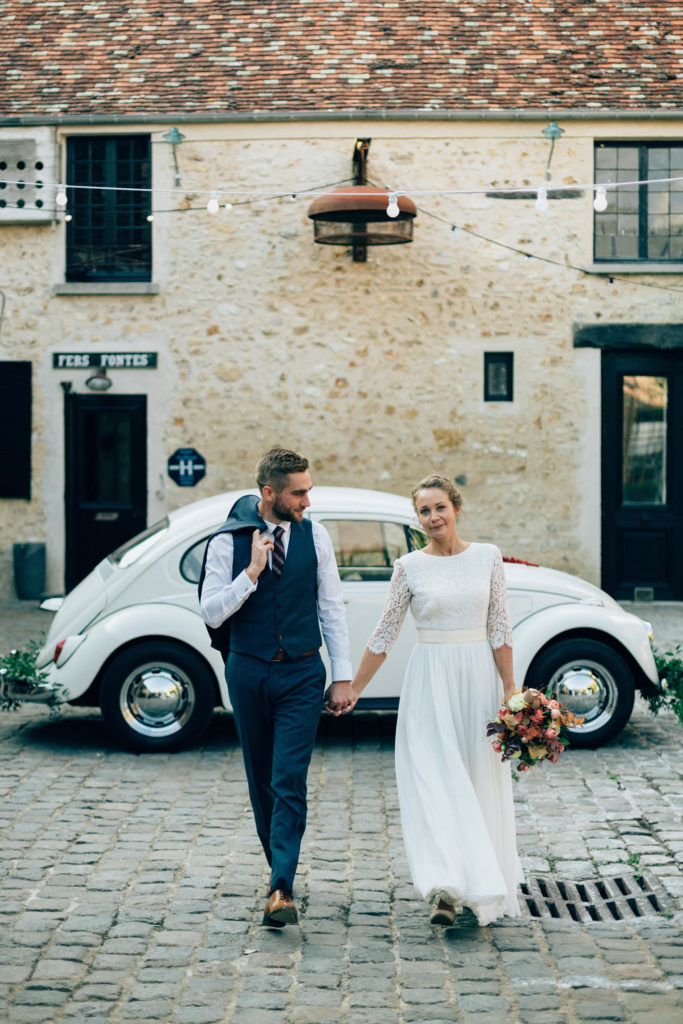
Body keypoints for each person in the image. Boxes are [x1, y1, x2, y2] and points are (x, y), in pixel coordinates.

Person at [339, 474, 523, 926]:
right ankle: (445, 889)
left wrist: (510, 690)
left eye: (440, 507)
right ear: (417, 518)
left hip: (478, 681)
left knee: (477, 781)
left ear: (456, 508)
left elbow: (500, 626)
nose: (434, 517)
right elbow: (384, 633)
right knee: (434, 781)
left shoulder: (487, 557)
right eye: (425, 511)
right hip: (430, 681)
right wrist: (355, 687)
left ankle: (480, 883)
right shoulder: (408, 567)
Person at [198, 447, 355, 927]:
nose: (307, 501)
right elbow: (210, 613)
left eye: (309, 490)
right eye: (299, 493)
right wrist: (250, 573)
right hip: (248, 672)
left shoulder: (317, 536)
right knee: (261, 778)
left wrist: (342, 674)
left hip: (302, 674)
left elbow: (331, 606)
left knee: (289, 778)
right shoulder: (227, 542)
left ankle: (281, 885)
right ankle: (279, 869)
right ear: (269, 493)